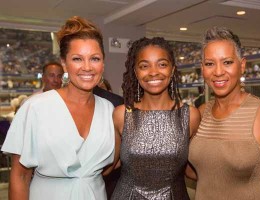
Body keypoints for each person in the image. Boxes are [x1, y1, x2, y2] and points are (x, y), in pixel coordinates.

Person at [1, 16, 115, 200]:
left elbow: (112, 165)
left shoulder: (109, 110)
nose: (87, 67)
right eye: (77, 59)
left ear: (103, 63)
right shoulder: (35, 107)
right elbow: (20, 176)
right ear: (64, 64)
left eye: (94, 58)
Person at [188, 26, 260, 200]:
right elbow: (203, 172)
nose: (218, 72)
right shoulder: (201, 113)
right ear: (202, 69)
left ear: (242, 65)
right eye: (210, 63)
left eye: (227, 62)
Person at [111, 37, 200, 199]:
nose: (153, 72)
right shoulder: (121, 114)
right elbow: (110, 165)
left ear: (172, 70)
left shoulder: (190, 116)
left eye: (162, 64)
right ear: (136, 72)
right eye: (144, 66)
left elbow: (194, 168)